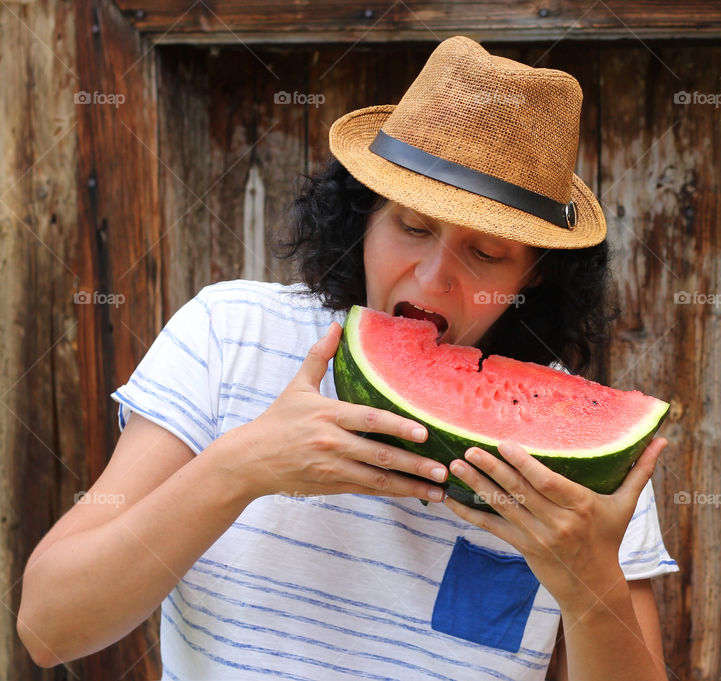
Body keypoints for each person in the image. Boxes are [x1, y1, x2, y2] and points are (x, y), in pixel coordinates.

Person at [17, 35, 678, 680]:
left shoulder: (585, 465)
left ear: (534, 275)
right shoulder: (228, 334)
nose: (431, 277)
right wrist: (243, 467)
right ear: (363, 217)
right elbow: (48, 625)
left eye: (486, 253)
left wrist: (593, 591)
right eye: (412, 227)